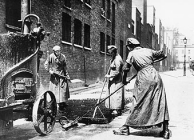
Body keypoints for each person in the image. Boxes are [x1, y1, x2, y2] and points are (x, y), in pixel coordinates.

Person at [113, 38, 171, 139]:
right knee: (160, 102)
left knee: (138, 102)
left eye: (128, 47)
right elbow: (163, 54)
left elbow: (125, 69)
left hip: (143, 78)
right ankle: (165, 130)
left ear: (130, 46)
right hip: (155, 77)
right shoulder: (148, 50)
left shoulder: (132, 54)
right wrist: (151, 62)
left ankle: (125, 128)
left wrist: (124, 80)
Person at [44, 45, 71, 111]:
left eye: (58, 51)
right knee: (55, 89)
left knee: (63, 89)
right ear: (54, 51)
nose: (57, 52)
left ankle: (62, 102)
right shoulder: (51, 56)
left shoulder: (63, 57)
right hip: (54, 75)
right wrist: (49, 70)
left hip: (61, 75)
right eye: (56, 51)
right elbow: (46, 64)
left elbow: (65, 67)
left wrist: (67, 75)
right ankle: (55, 103)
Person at [105, 45, 124, 116]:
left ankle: (117, 109)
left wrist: (109, 76)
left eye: (111, 53)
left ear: (114, 52)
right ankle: (114, 108)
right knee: (113, 94)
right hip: (113, 80)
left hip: (117, 80)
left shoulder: (117, 59)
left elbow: (117, 71)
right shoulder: (113, 58)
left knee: (116, 94)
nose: (110, 54)